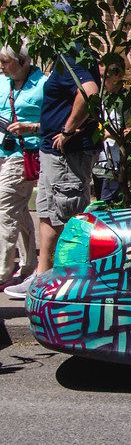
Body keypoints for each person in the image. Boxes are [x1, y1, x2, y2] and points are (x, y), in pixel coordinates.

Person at [5, 27, 100, 299]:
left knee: (66, 218)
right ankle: (41, 278)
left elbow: (90, 93)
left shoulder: (74, 55)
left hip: (66, 156)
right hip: (50, 151)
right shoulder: (61, 55)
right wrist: (36, 127)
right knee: (47, 213)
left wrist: (69, 129)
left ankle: (72, 283)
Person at [0, 45, 46, 290]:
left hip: (23, 153)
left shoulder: (43, 85)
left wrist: (31, 127)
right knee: (17, 209)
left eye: (6, 62)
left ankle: (2, 272)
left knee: (4, 207)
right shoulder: (2, 83)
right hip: (2, 152)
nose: (2, 67)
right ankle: (28, 265)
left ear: (22, 61)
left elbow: (53, 120)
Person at [93, 55, 131, 204]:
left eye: (105, 76)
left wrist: (110, 134)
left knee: (107, 202)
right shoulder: (102, 98)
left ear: (119, 75)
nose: (101, 81)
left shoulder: (125, 100)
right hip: (100, 160)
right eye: (99, 76)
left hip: (115, 162)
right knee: (100, 198)